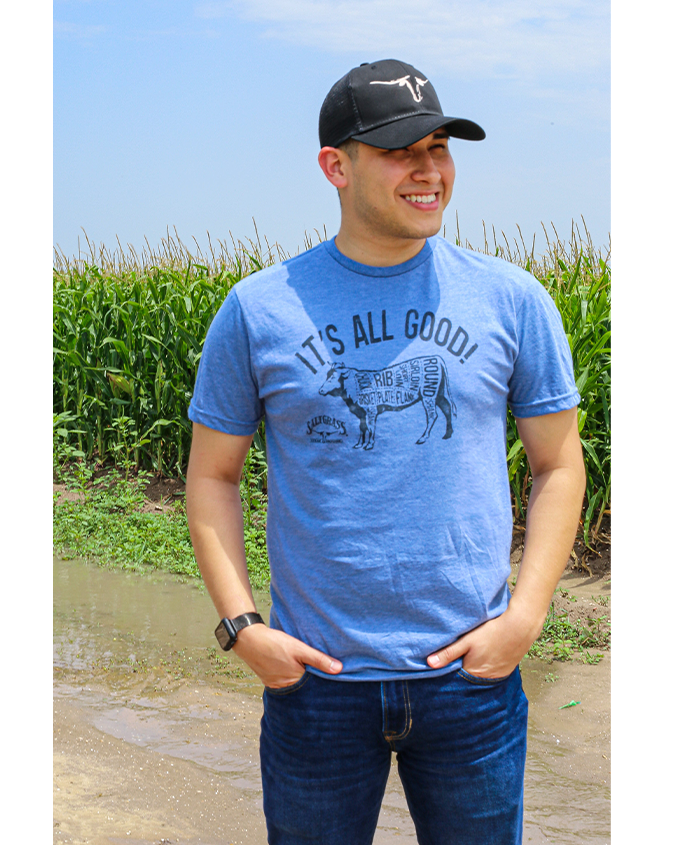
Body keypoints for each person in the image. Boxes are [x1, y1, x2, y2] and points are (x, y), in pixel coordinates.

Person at [185, 58, 586, 845]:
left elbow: (559, 464)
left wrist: (526, 617)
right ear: (336, 165)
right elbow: (212, 475)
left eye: (439, 147)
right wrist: (243, 628)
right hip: (316, 683)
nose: (429, 170)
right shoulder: (259, 309)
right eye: (402, 150)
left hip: (473, 677)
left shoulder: (513, 300)